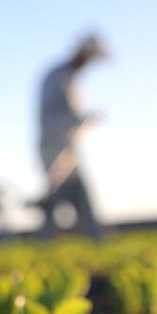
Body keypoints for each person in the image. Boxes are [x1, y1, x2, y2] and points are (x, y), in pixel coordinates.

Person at [37, 33, 108, 240]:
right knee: (56, 195)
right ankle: (46, 241)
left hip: (68, 147)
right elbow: (57, 114)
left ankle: (96, 238)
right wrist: (85, 119)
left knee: (80, 194)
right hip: (54, 146)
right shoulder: (58, 76)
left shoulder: (70, 78)